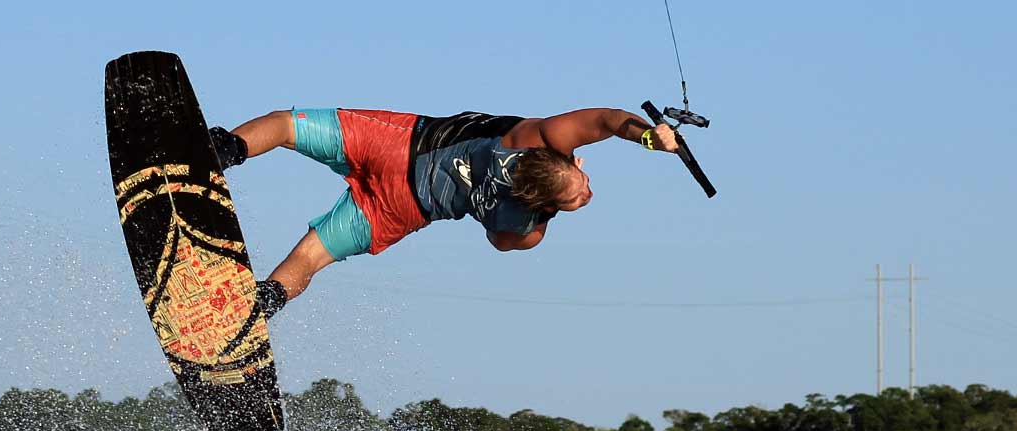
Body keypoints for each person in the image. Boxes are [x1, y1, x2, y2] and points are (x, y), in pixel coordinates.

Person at [204, 107, 682, 316]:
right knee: (311, 258)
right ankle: (261, 303)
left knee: (288, 126)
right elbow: (504, 242)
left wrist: (646, 136)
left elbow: (602, 122)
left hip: (400, 146)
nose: (588, 190)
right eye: (583, 189)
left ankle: (222, 150)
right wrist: (548, 212)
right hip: (401, 207)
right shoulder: (522, 224)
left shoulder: (530, 138)